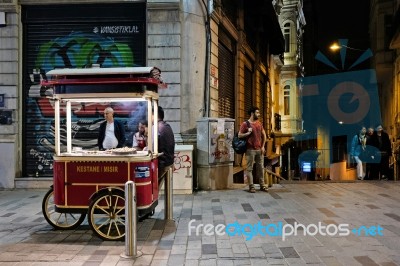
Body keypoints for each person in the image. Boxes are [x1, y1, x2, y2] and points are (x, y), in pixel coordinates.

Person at [238, 106, 267, 193]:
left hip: (259, 150)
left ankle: (262, 185)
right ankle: (251, 186)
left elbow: (264, 135)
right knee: (249, 169)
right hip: (249, 150)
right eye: (257, 113)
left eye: (259, 113)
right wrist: (248, 133)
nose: (259, 114)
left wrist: (263, 146)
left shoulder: (259, 123)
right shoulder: (245, 124)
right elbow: (239, 135)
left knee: (261, 168)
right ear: (252, 113)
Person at [157, 106, 175, 185]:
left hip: (162, 164)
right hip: (169, 161)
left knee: (154, 191)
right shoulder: (167, 126)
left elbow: (153, 146)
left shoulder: (157, 128)